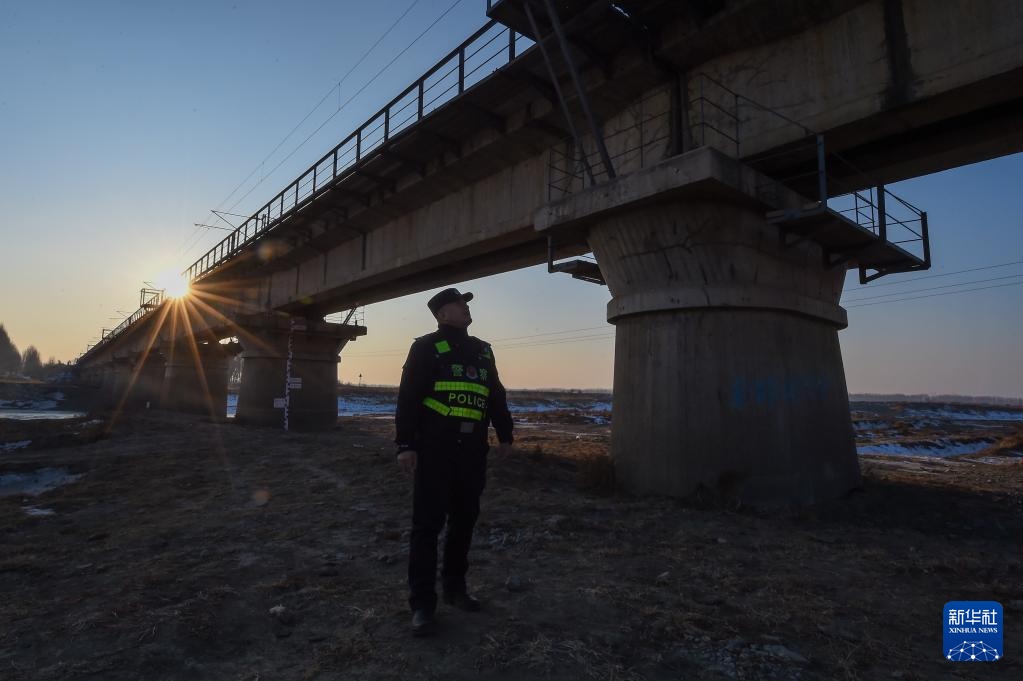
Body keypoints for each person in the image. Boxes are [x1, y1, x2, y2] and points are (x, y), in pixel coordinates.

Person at [395, 287, 513, 637]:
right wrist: (405, 444)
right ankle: (422, 605)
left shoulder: (483, 350)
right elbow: (409, 397)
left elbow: (495, 394)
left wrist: (505, 432)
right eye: (459, 303)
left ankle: (455, 589)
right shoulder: (426, 347)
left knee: (464, 521)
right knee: (427, 526)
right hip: (434, 450)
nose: (465, 307)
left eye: (466, 304)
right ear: (442, 314)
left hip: (472, 451)